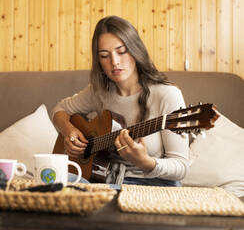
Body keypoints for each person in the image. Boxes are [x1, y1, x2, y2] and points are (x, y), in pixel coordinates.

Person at [51, 16, 189, 187]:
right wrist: (68, 131)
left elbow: (181, 167)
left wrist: (145, 161)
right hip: (103, 183)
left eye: (121, 51)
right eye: (104, 55)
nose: (114, 62)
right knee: (51, 182)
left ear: (135, 50)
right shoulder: (99, 92)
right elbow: (60, 109)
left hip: (153, 185)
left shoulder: (167, 94)